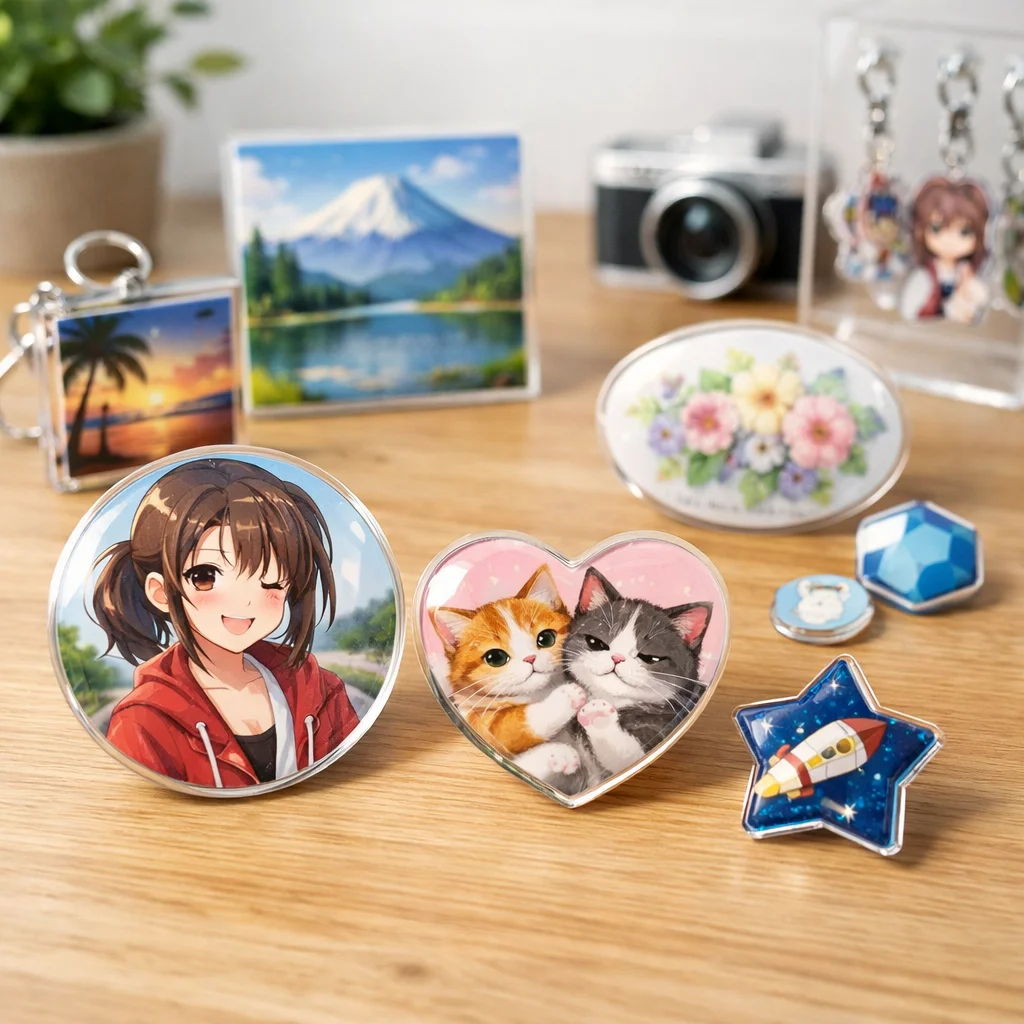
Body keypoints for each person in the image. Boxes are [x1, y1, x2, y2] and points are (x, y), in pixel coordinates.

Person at [93, 458, 360, 789]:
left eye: (271, 581)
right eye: (206, 576)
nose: (244, 601)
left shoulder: (319, 690)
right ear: (161, 592)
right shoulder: (144, 720)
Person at [900, 177, 991, 324]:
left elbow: (980, 309)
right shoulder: (924, 275)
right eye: (936, 229)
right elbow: (910, 311)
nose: (949, 241)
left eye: (964, 232)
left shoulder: (967, 274)